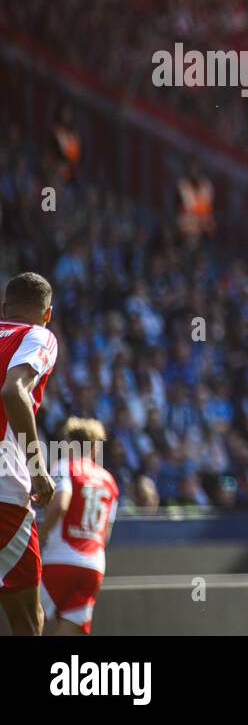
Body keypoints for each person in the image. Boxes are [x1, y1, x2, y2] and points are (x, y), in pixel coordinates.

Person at [0, 272, 60, 636]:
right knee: (29, 621)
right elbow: (13, 391)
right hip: (6, 488)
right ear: (47, 314)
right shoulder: (37, 336)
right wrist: (38, 468)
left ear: (4, 308)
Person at [38, 417, 119, 635]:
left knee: (26, 620)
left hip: (60, 559)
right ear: (94, 448)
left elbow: (60, 504)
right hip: (93, 566)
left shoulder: (65, 466)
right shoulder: (109, 480)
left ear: (68, 443)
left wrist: (40, 535)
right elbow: (106, 534)